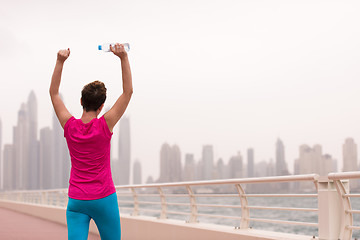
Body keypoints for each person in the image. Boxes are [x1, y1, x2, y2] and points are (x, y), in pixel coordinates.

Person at [49, 43, 133, 240]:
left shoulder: (69, 126)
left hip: (77, 200)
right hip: (104, 198)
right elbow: (128, 92)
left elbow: (53, 93)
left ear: (81, 102)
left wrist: (60, 61)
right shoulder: (105, 124)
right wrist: (123, 58)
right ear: (102, 106)